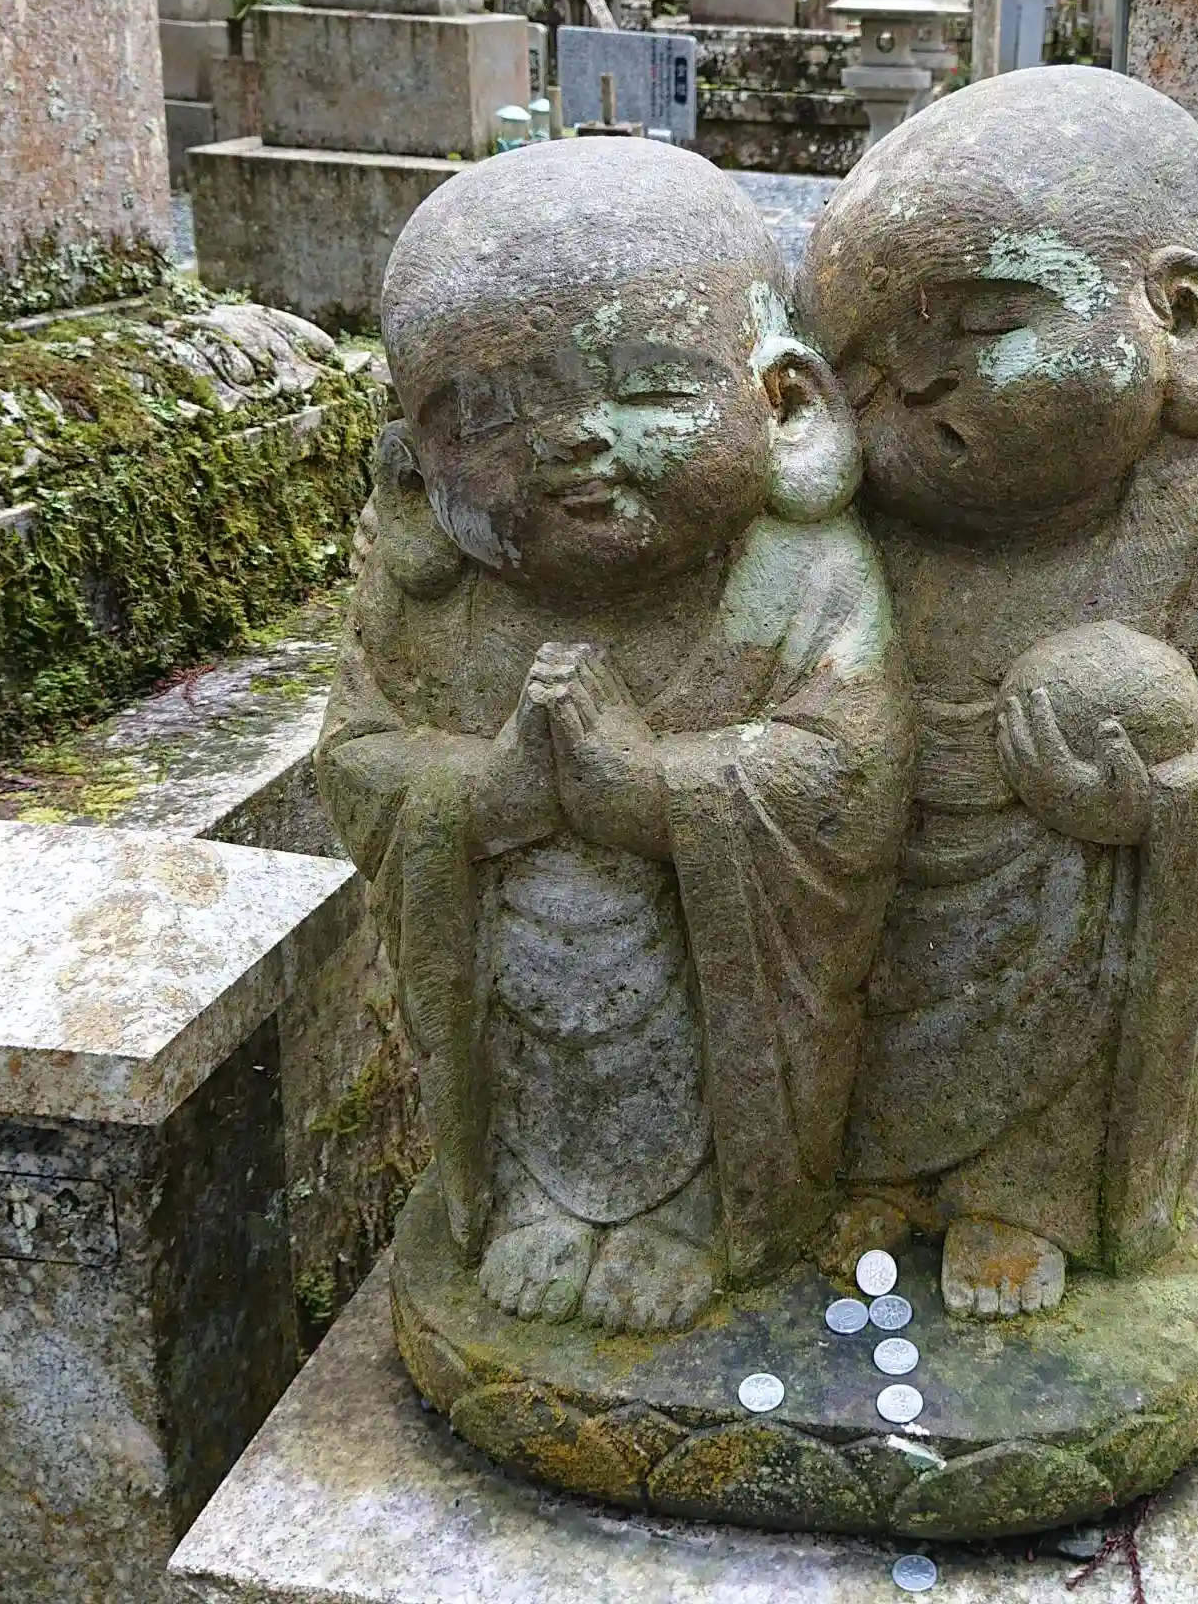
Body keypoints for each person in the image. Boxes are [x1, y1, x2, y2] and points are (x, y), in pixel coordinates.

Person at [317, 140, 910, 1332]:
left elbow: (853, 770)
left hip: (721, 1003)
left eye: (643, 389)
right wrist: (485, 793)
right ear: (412, 468)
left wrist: (652, 790)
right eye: (486, 415)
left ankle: (694, 1214)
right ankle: (537, 1200)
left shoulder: (801, 572)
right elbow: (359, 757)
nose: (570, 441)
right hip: (518, 986)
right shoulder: (431, 599)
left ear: (786, 405)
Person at [798, 65, 1198, 1318]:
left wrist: (1161, 792)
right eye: (868, 377)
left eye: (979, 326)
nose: (915, 390)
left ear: (1183, 316)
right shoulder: (869, 511)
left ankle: (1027, 1196)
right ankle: (883, 1171)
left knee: (1073, 966)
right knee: (878, 973)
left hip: (1085, 854)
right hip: (905, 824)